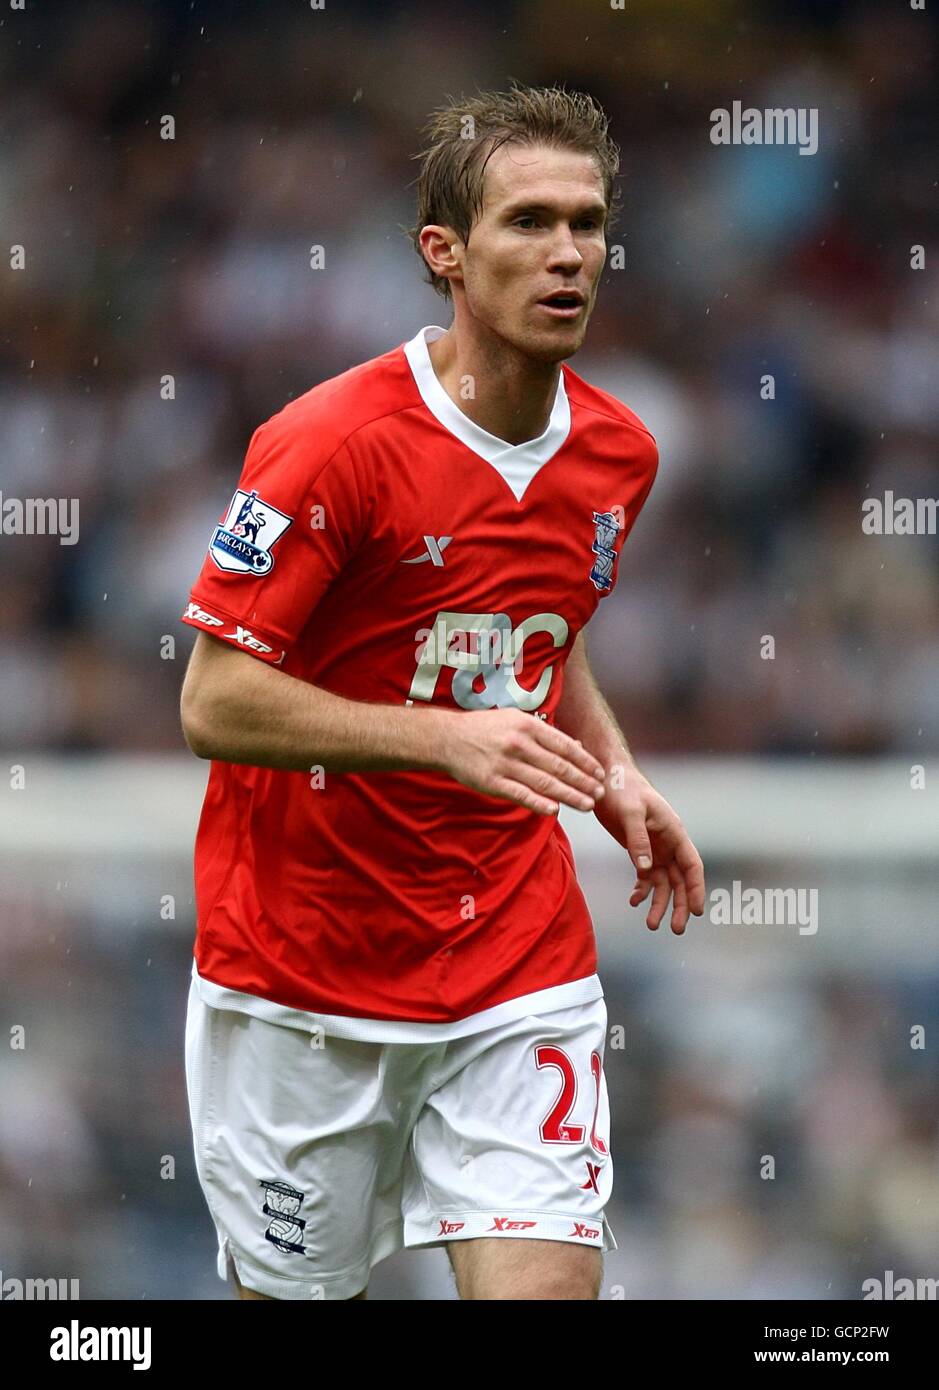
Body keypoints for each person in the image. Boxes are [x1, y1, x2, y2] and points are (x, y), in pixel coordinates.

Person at [178, 80, 705, 1302]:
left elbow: (539, 637)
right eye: (528, 222)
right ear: (448, 255)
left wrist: (612, 766)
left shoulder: (622, 453)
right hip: (301, 977)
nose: (568, 252)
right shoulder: (331, 442)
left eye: (588, 222)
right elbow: (213, 700)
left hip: (516, 964)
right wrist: (438, 742)